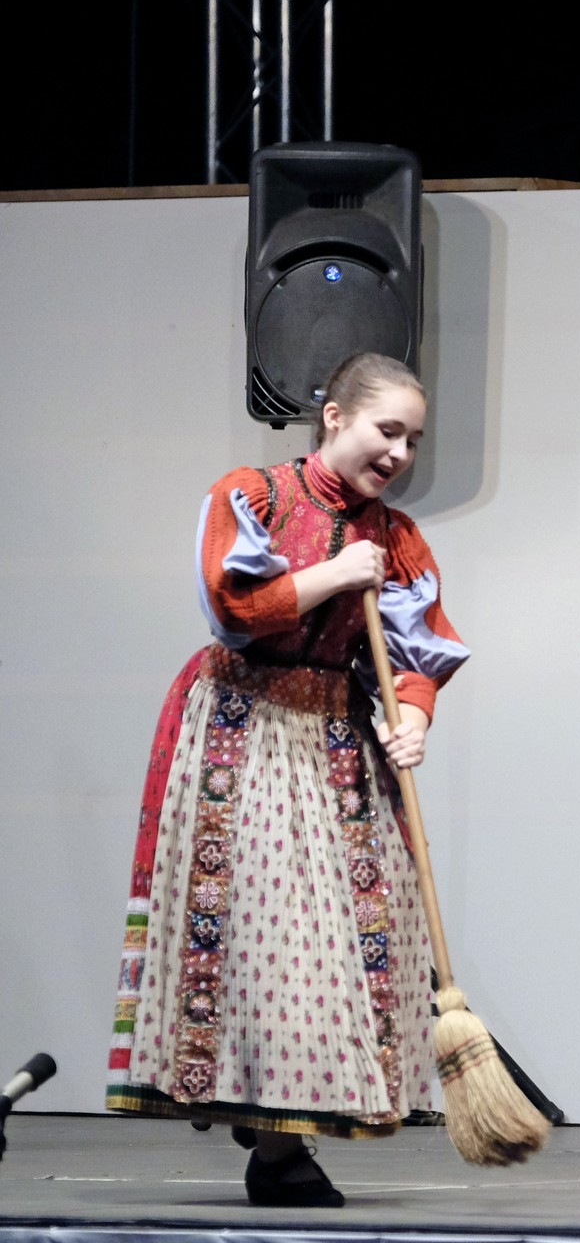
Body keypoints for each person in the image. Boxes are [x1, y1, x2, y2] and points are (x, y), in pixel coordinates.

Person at [106, 353, 467, 1208]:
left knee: (341, 937)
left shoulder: (397, 537)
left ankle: (274, 1123)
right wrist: (335, 574)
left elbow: (419, 654)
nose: (400, 453)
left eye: (413, 439)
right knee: (268, 938)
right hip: (244, 730)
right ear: (334, 417)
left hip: (338, 736)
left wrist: (414, 718)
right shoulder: (254, 495)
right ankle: (277, 1147)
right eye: (387, 430)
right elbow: (233, 606)